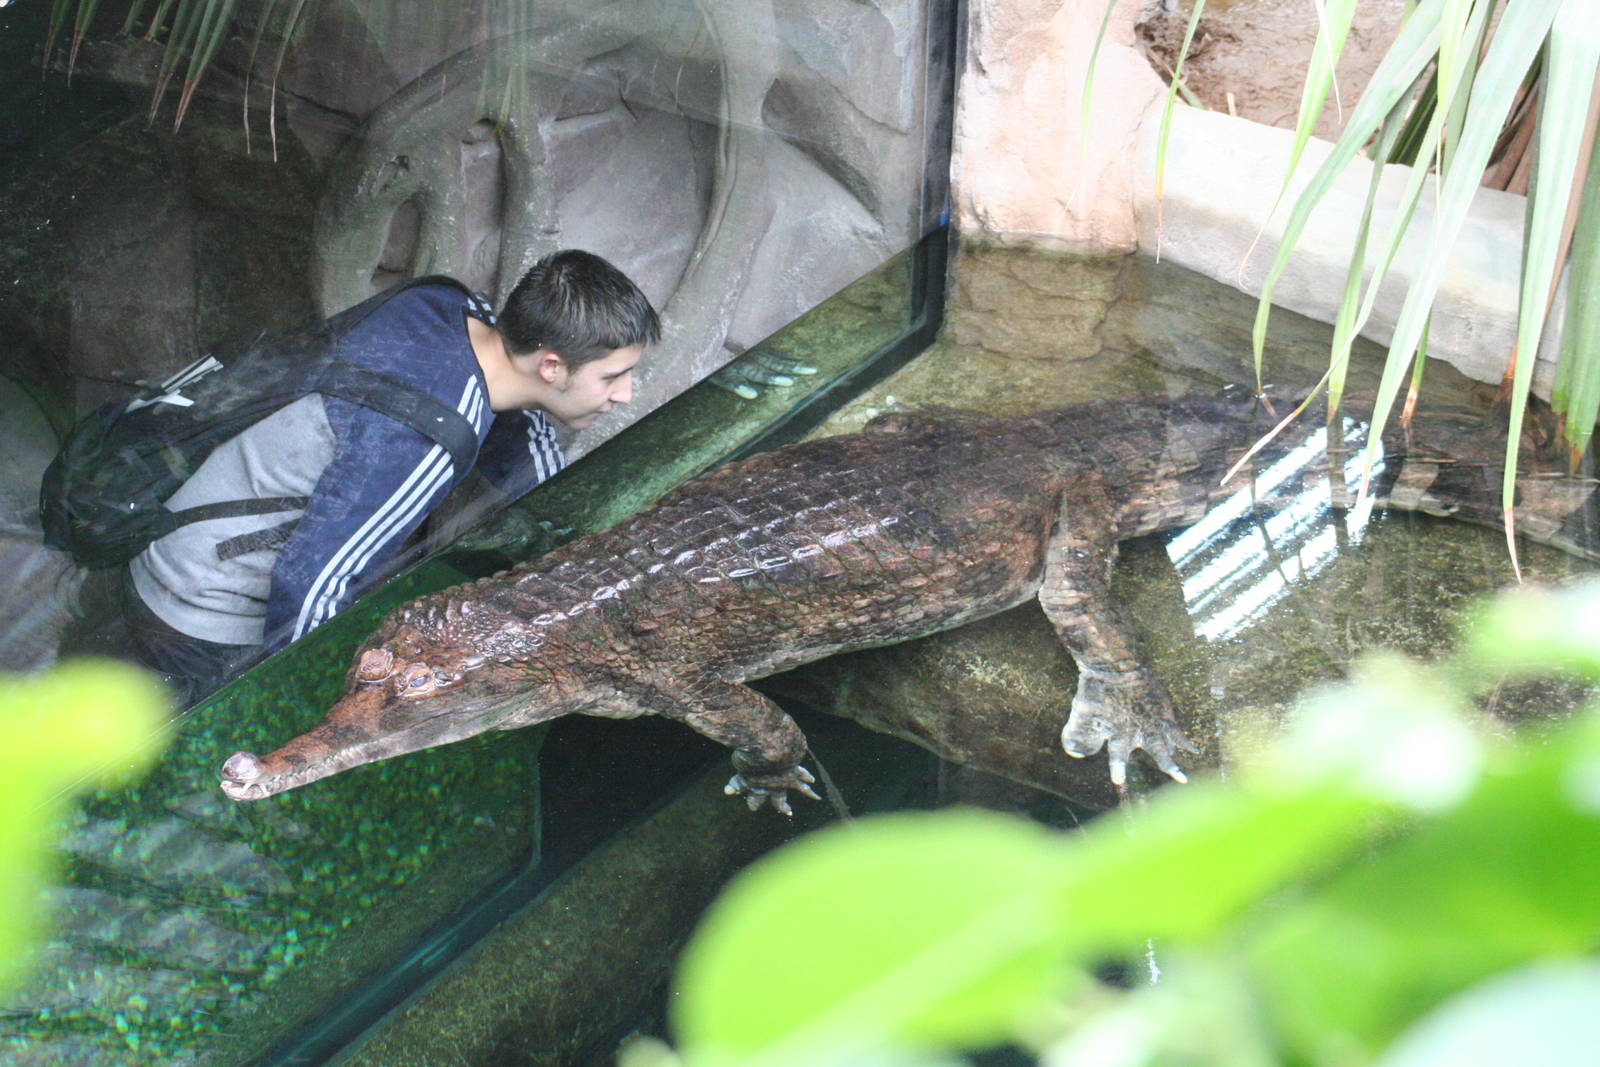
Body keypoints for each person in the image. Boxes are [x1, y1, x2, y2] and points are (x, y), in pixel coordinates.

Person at [120, 248, 659, 705]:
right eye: (612, 376)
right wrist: (334, 705)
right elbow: (313, 587)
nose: (625, 393)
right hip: (197, 610)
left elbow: (520, 436)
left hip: (165, 532)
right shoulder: (422, 439)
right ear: (550, 366)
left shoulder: (444, 304)